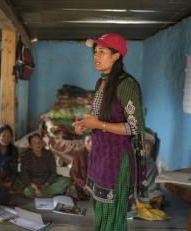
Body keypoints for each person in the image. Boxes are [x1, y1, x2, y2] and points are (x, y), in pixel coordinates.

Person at [73, 34, 148, 230]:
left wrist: (97, 124)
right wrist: (86, 124)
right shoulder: (101, 83)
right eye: (95, 52)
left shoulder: (126, 85)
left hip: (117, 159)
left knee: (113, 215)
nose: (96, 56)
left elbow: (135, 127)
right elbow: (98, 116)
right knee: (100, 208)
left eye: (102, 51)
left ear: (116, 56)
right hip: (100, 154)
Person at [21, 133, 71, 198]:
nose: (38, 144)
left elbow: (53, 172)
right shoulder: (27, 156)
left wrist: (46, 185)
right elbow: (25, 173)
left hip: (48, 183)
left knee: (67, 180)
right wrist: (35, 187)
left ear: (42, 143)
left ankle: (42, 194)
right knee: (27, 192)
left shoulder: (48, 154)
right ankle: (50, 193)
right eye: (34, 142)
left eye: (39, 142)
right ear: (30, 146)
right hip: (35, 185)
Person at [68, 133, 92, 200]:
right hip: (82, 182)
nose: (91, 143)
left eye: (93, 141)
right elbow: (73, 172)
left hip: (93, 182)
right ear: (84, 143)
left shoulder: (99, 153)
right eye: (88, 141)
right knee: (72, 187)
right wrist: (83, 185)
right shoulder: (79, 152)